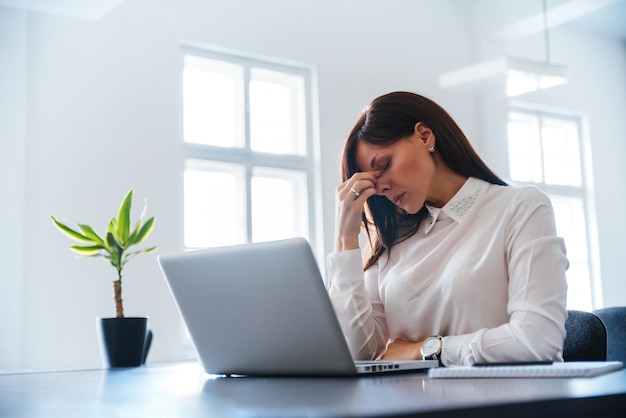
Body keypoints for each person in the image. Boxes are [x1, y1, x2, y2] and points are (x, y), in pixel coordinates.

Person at [325, 91, 568, 366]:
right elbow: (356, 354)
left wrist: (427, 351)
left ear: (424, 136)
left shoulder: (521, 207)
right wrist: (345, 239)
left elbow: (537, 341)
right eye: (373, 181)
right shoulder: (392, 242)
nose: (380, 187)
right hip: (411, 403)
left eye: (384, 165)